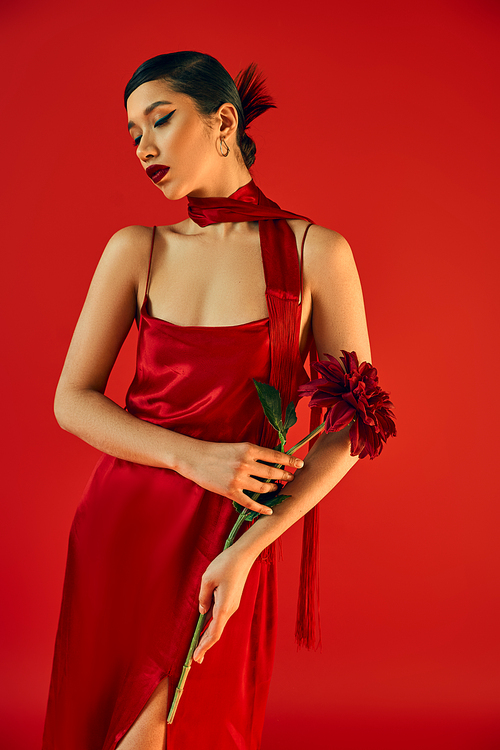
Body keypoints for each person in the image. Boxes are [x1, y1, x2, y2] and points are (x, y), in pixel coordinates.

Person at [42, 51, 371, 750]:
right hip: (121, 533)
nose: (144, 148)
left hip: (226, 540)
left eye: (160, 120)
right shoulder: (138, 248)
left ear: (223, 120)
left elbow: (351, 426)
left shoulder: (317, 252)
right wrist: (196, 460)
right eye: (133, 134)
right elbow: (71, 401)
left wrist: (248, 552)